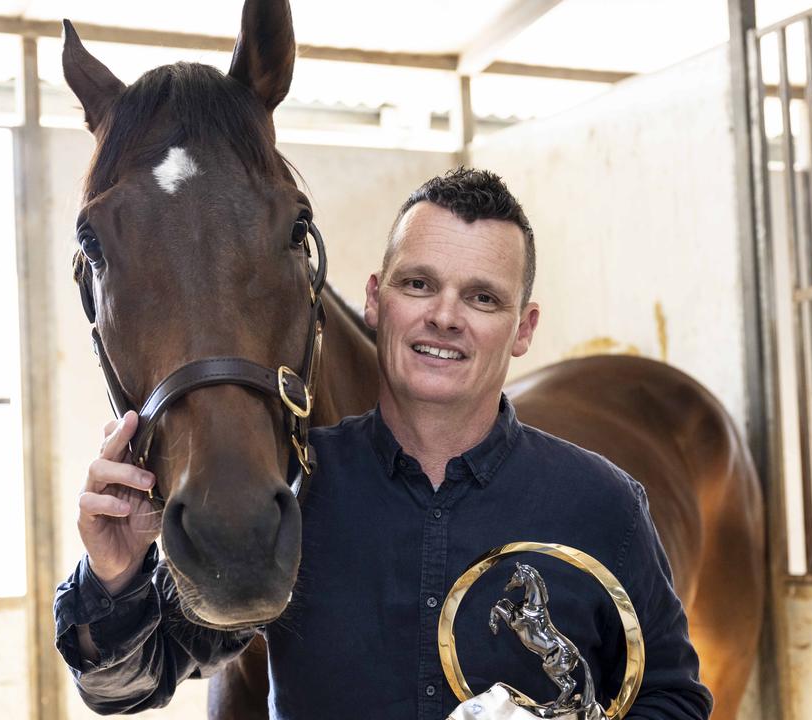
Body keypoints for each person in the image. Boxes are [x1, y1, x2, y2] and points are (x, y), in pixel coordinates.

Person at [53, 168, 713, 719]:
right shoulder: (289, 496)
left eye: (482, 297)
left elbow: (674, 701)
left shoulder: (603, 503)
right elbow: (124, 687)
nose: (445, 316)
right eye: (418, 284)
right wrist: (114, 574)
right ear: (375, 299)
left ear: (522, 327)